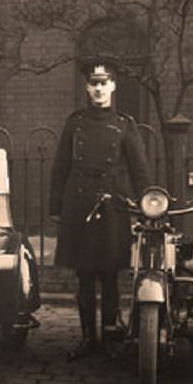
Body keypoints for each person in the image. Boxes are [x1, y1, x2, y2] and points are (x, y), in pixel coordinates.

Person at [49, 64, 151, 360]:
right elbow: (60, 167)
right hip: (79, 204)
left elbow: (139, 169)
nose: (98, 89)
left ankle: (109, 340)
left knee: (108, 276)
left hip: (112, 205)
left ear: (113, 86)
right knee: (84, 277)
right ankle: (88, 340)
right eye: (93, 83)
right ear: (86, 87)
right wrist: (56, 207)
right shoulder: (75, 123)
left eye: (103, 83)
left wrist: (146, 206)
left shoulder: (124, 124)